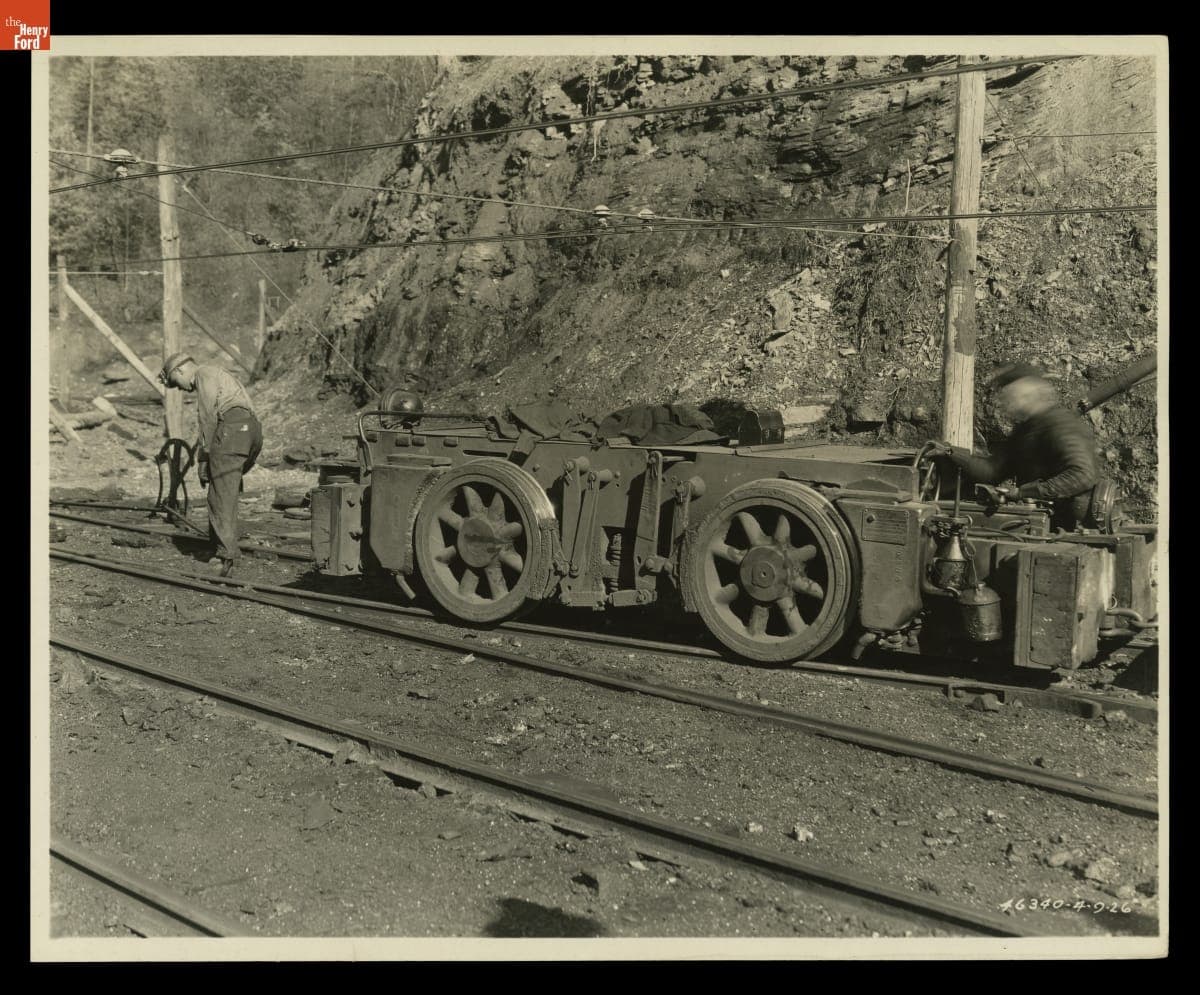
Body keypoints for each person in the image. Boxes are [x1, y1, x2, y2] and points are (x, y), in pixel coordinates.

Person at [940, 361, 1101, 529]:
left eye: (1013, 395)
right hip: (1038, 525)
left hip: (1065, 529)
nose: (1008, 403)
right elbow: (992, 471)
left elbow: (1082, 474)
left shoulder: (1059, 424)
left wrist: (1023, 492)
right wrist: (950, 452)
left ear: (1033, 391)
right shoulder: (1025, 430)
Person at [159, 352, 263, 575]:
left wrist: (204, 458)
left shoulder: (203, 374)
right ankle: (221, 545)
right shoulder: (220, 373)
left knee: (219, 495)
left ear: (180, 370)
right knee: (225, 488)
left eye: (177, 383)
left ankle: (226, 556)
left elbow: (208, 417)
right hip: (252, 429)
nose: (182, 389)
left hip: (232, 429)